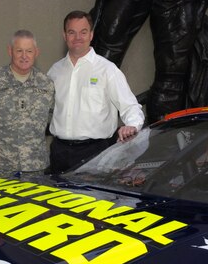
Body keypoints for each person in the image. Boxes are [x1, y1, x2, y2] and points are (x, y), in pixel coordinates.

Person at [48, 10, 145, 174]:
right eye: (72, 32)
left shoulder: (107, 70)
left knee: (92, 199)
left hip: (95, 153)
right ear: (65, 36)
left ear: (91, 35)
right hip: (59, 152)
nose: (77, 37)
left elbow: (130, 106)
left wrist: (132, 125)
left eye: (83, 32)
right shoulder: (55, 71)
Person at [0, 30, 55, 180]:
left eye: (29, 51)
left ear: (36, 52)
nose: (24, 56)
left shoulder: (46, 84)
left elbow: (53, 118)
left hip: (35, 168)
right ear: (10, 51)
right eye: (19, 50)